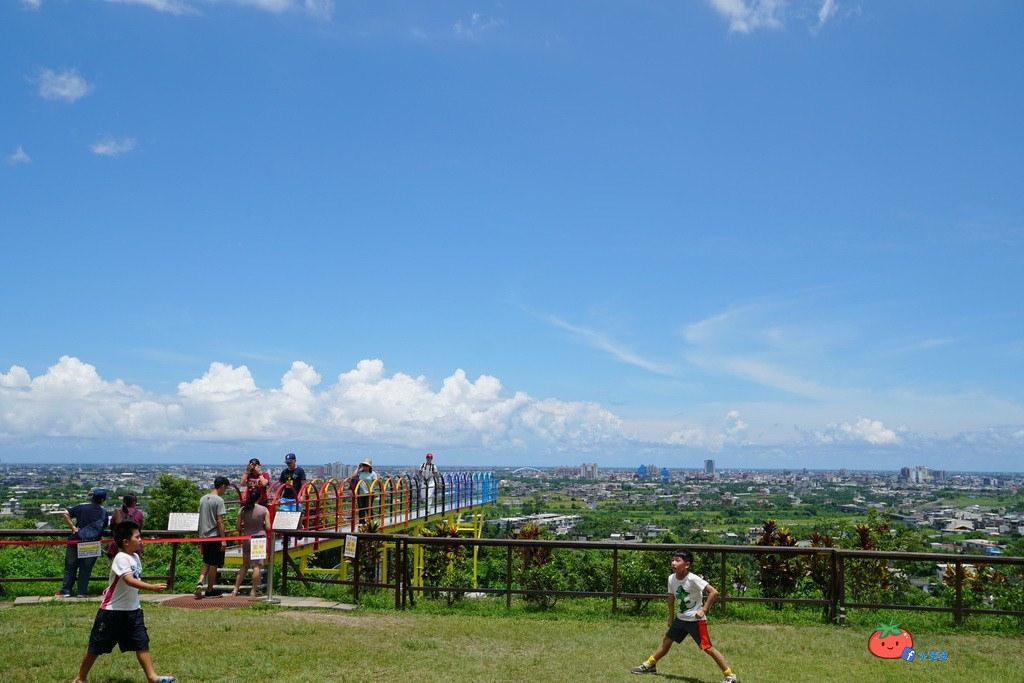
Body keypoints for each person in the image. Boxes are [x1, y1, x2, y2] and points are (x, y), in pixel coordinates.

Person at [73, 520, 175, 683]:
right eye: (137, 537)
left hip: (133, 610)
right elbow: (128, 580)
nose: (141, 540)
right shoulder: (121, 557)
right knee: (96, 646)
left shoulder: (135, 556)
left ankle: (152, 678)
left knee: (142, 643)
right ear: (126, 542)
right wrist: (152, 587)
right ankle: (80, 678)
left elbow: (126, 580)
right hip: (112, 612)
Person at [630, 548, 737, 682]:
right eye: (673, 560)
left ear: (687, 564)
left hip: (695, 621)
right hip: (681, 619)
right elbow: (671, 598)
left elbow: (713, 592)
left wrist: (703, 609)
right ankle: (649, 665)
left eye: (677, 560)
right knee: (666, 641)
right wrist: (671, 617)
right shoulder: (671, 578)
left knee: (707, 647)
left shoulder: (693, 579)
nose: (673, 563)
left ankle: (729, 675)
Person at [58, 488, 110, 598]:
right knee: (86, 568)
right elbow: (104, 526)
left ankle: (65, 591)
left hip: (76, 539)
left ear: (92, 498)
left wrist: (72, 526)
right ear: (103, 500)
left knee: (70, 566)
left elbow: (65, 513)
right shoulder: (104, 512)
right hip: (92, 543)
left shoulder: (81, 507)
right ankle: (81, 592)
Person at [231, 489, 271, 597]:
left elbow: (238, 527)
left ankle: (235, 590)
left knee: (244, 566)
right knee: (256, 566)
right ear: (259, 497)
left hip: (246, 538)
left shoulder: (242, 510)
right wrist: (261, 523)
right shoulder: (264, 510)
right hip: (259, 538)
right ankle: (253, 591)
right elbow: (268, 527)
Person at [194, 476, 229, 599]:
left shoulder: (203, 499)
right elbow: (220, 521)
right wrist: (223, 539)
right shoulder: (219, 500)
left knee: (206, 562)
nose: (225, 491)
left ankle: (200, 582)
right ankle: (209, 589)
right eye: (225, 488)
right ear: (223, 486)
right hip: (214, 536)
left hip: (203, 536)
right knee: (214, 564)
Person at [106, 495, 144, 559]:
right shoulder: (139, 513)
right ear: (134, 503)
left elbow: (112, 527)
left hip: (118, 545)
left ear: (124, 502)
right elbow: (139, 529)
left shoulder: (117, 513)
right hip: (133, 544)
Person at [347, 459, 379, 525]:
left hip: (369, 493)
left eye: (366, 465)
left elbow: (375, 483)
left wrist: (378, 480)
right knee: (361, 508)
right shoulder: (361, 472)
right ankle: (362, 523)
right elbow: (353, 476)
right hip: (361, 493)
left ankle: (371, 521)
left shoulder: (373, 474)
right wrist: (358, 467)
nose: (365, 467)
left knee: (368, 507)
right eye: (364, 465)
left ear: (369, 467)